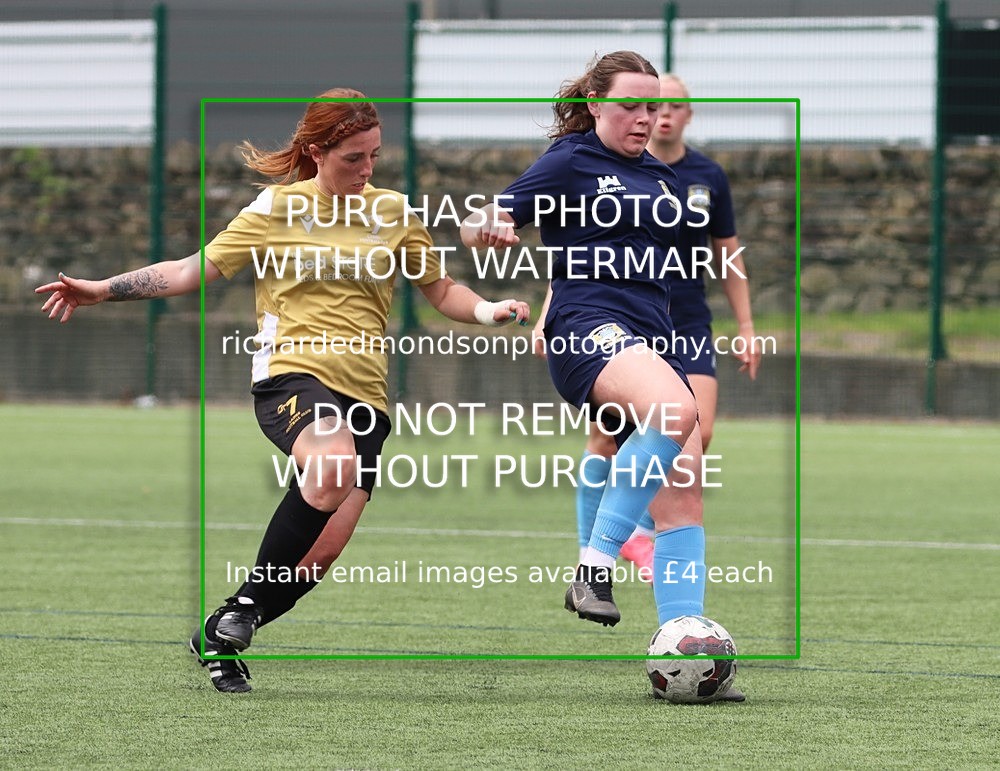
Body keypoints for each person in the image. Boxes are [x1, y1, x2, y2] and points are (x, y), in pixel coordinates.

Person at [36, 88, 529, 694]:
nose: (367, 169)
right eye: (353, 157)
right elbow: (190, 270)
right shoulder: (276, 209)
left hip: (367, 399)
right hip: (292, 375)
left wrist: (488, 312)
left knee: (315, 558)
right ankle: (239, 614)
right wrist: (102, 289)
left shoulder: (395, 213)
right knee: (329, 466)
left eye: (374, 155)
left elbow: (441, 290)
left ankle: (222, 627)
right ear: (316, 152)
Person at [461, 52, 742, 701]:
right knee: (677, 413)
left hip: (653, 338)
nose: (645, 118)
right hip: (590, 330)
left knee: (685, 486)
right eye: (630, 106)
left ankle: (684, 650)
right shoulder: (570, 161)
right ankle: (593, 564)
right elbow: (486, 219)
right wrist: (491, 227)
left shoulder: (665, 182)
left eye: (652, 106)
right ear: (594, 103)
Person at [550, 73, 761, 577]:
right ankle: (596, 552)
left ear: (689, 114)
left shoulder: (706, 176)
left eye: (671, 106)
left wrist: (747, 323)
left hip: (684, 319)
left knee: (698, 431)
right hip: (617, 323)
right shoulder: (595, 168)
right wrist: (549, 315)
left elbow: (728, 257)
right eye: (648, 105)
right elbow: (575, 254)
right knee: (608, 437)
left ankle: (639, 534)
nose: (659, 115)